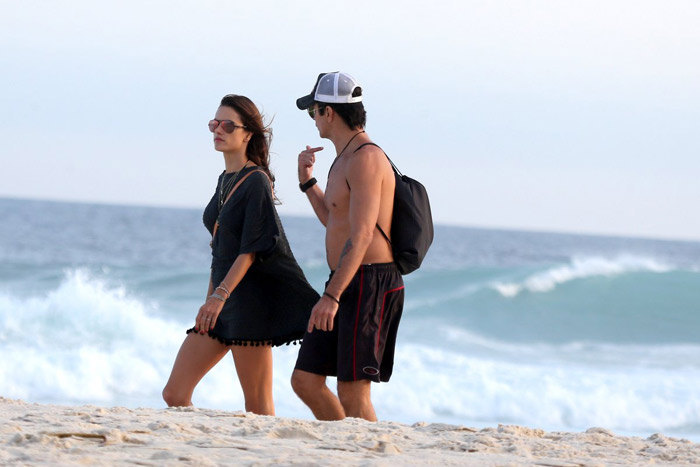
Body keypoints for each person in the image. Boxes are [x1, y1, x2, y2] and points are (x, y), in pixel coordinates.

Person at [163, 94, 319, 415]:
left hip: (250, 306)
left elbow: (253, 248)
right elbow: (220, 250)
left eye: (228, 125)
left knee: (258, 407)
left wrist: (218, 296)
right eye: (214, 123)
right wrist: (209, 301)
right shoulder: (224, 180)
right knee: (175, 393)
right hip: (221, 304)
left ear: (248, 133)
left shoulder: (256, 181)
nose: (218, 130)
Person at [291, 72, 405, 421]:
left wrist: (331, 296)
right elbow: (333, 219)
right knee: (306, 380)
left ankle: (366, 453)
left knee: (353, 390)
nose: (312, 119)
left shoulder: (366, 159)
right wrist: (307, 180)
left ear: (329, 112)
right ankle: (345, 446)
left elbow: (363, 235)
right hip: (346, 277)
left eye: (313, 111)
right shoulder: (343, 158)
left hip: (370, 282)